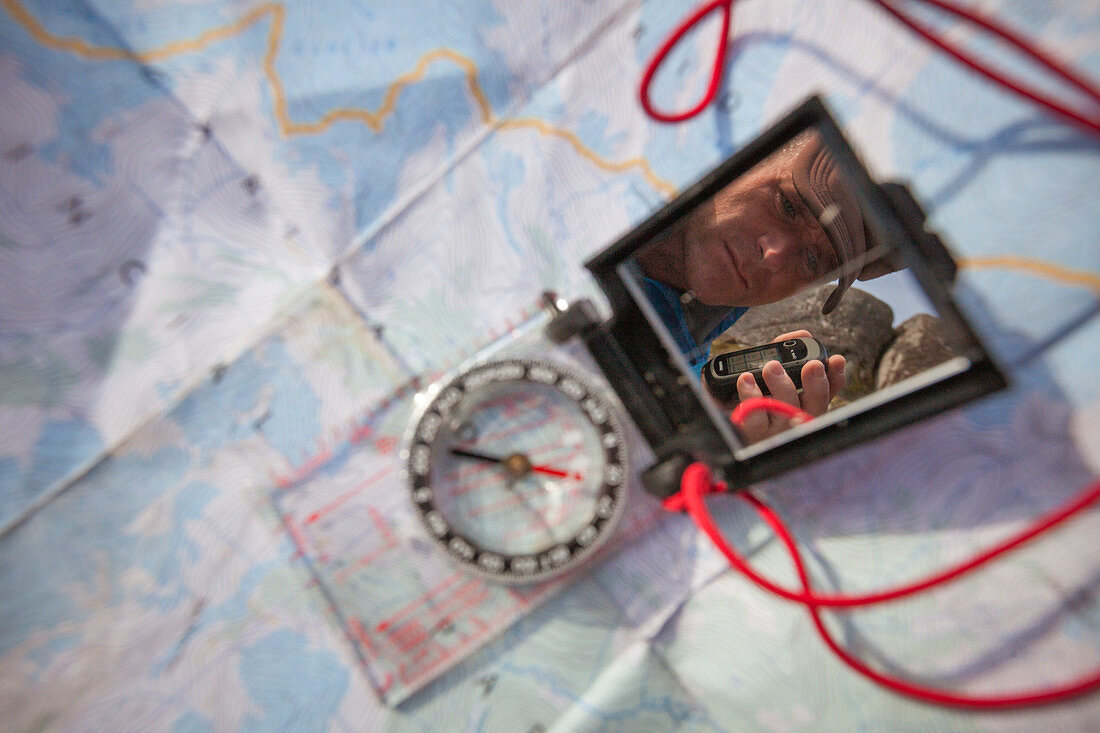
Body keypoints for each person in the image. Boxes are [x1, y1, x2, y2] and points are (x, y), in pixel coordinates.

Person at [635, 131, 898, 441]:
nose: (773, 255)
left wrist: (710, 430)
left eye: (812, 260)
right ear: (744, 158)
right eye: (787, 205)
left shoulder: (687, 368)